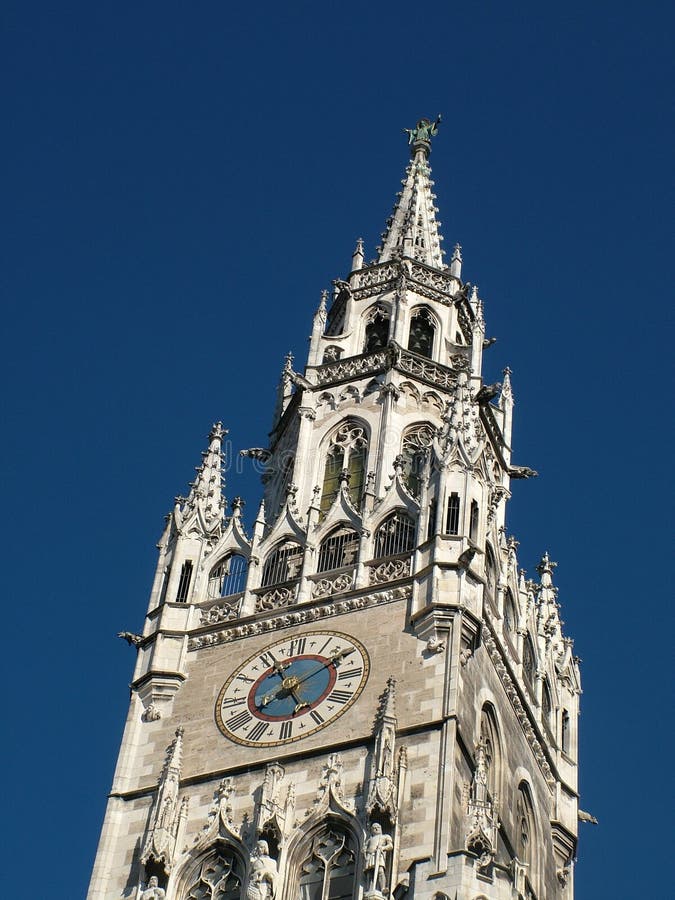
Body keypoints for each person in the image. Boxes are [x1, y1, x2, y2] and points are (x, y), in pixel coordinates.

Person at [363, 823, 393, 894]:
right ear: (371, 830)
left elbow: (390, 846)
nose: (376, 829)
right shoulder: (370, 840)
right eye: (374, 828)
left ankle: (382, 888)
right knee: (369, 873)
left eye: (378, 827)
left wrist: (383, 848)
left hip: (379, 855)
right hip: (370, 856)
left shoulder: (385, 836)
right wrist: (365, 853)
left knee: (380, 871)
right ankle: (369, 889)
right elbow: (364, 848)